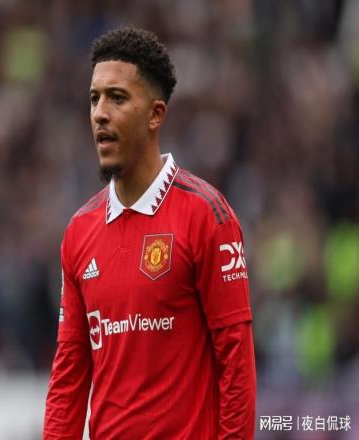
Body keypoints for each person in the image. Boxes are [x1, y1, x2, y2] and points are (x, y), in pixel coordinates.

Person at [44, 27, 256, 439]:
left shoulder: (207, 215)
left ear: (155, 115)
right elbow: (69, 373)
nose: (100, 113)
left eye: (117, 98)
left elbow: (237, 365)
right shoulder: (79, 232)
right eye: (94, 98)